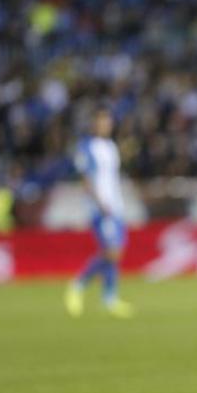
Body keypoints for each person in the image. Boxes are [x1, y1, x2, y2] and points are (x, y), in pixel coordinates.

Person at [64, 107, 133, 319]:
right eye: (102, 121)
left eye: (108, 121)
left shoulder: (112, 147)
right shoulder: (86, 147)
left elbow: (112, 178)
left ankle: (109, 299)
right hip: (100, 207)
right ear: (94, 124)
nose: (106, 124)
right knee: (112, 251)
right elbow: (86, 179)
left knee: (116, 252)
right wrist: (99, 202)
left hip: (116, 206)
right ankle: (78, 284)